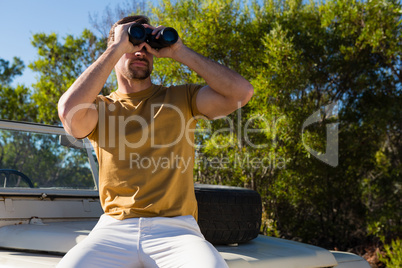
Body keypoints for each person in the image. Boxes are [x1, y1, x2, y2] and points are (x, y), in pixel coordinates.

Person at [57, 15, 253, 268]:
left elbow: (241, 93)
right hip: (114, 229)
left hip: (177, 230)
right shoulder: (98, 108)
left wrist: (179, 51)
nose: (141, 51)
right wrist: (117, 48)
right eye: (133, 42)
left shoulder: (182, 98)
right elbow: (68, 113)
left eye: (147, 45)